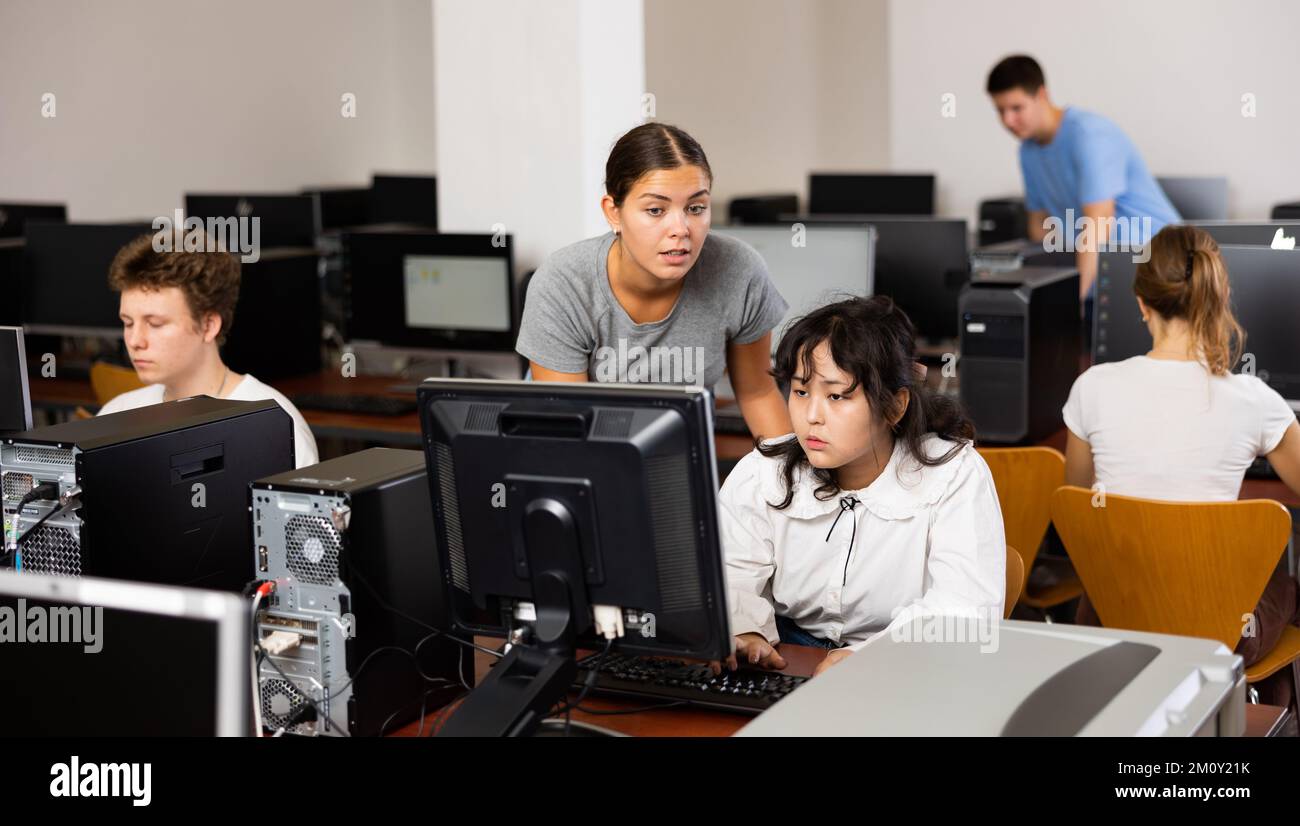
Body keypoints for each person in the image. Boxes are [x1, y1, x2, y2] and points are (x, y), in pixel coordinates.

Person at [1063, 223, 1300, 708]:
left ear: (1141, 302)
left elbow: (1077, 505)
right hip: (1223, 634)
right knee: (1287, 577)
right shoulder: (1255, 401)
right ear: (1220, 297)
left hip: (1111, 619)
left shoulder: (1092, 387)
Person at [716, 295, 1005, 677]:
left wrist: (871, 656)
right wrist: (746, 631)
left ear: (894, 407)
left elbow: (964, 609)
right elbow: (730, 572)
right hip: (788, 657)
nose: (811, 417)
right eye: (801, 392)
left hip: (905, 668)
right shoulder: (763, 470)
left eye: (836, 396)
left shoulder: (954, 474)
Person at [515, 122, 792, 439]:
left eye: (696, 208)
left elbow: (757, 392)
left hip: (681, 459)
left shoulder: (739, 270)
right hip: (582, 456)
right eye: (656, 210)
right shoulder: (563, 284)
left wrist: (795, 482)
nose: (681, 228)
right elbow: (569, 432)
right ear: (613, 213)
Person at [98, 230, 318, 469]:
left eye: (155, 324)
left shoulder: (274, 424)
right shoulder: (118, 414)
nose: (135, 340)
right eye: (128, 323)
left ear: (209, 325)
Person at [987, 55, 1180, 312]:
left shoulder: (1089, 136)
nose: (1008, 121)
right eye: (1000, 110)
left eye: (1016, 108)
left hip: (1160, 271)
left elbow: (1098, 224)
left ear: (1041, 95)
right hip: (1104, 276)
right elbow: (1040, 226)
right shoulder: (1028, 151)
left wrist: (1071, 301)